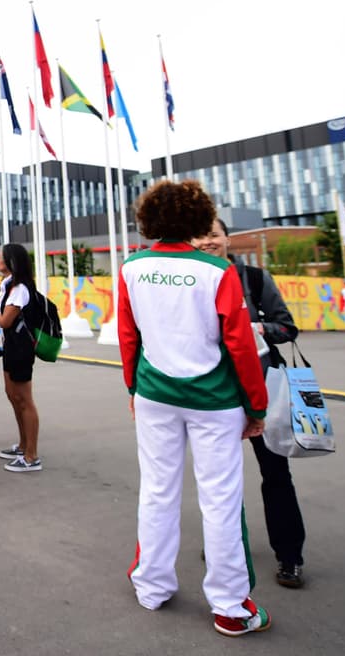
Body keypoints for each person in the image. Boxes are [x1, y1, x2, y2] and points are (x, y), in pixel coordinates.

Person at [117, 180, 270, 637]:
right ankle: (230, 606)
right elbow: (240, 345)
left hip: (154, 396)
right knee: (220, 500)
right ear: (200, 218)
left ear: (150, 220)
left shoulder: (132, 269)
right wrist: (256, 406)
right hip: (214, 401)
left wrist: (132, 389)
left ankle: (151, 584)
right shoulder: (216, 272)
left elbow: (129, 339)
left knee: (158, 489)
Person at [195, 218, 306, 589]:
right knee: (218, 480)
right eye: (200, 235)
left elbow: (287, 327)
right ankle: (224, 547)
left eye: (213, 233)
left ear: (227, 238)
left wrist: (257, 328)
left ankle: (289, 556)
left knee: (275, 475)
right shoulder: (195, 282)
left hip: (263, 390)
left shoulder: (255, 279)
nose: (207, 241)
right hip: (214, 393)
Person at [0, 243, 42, 473]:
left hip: (20, 348)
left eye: (0, 257)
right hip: (10, 347)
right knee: (13, 395)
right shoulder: (7, 286)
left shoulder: (20, 289)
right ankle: (23, 446)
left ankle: (31, 455)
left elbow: (5, 321)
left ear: (11, 261)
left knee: (24, 399)